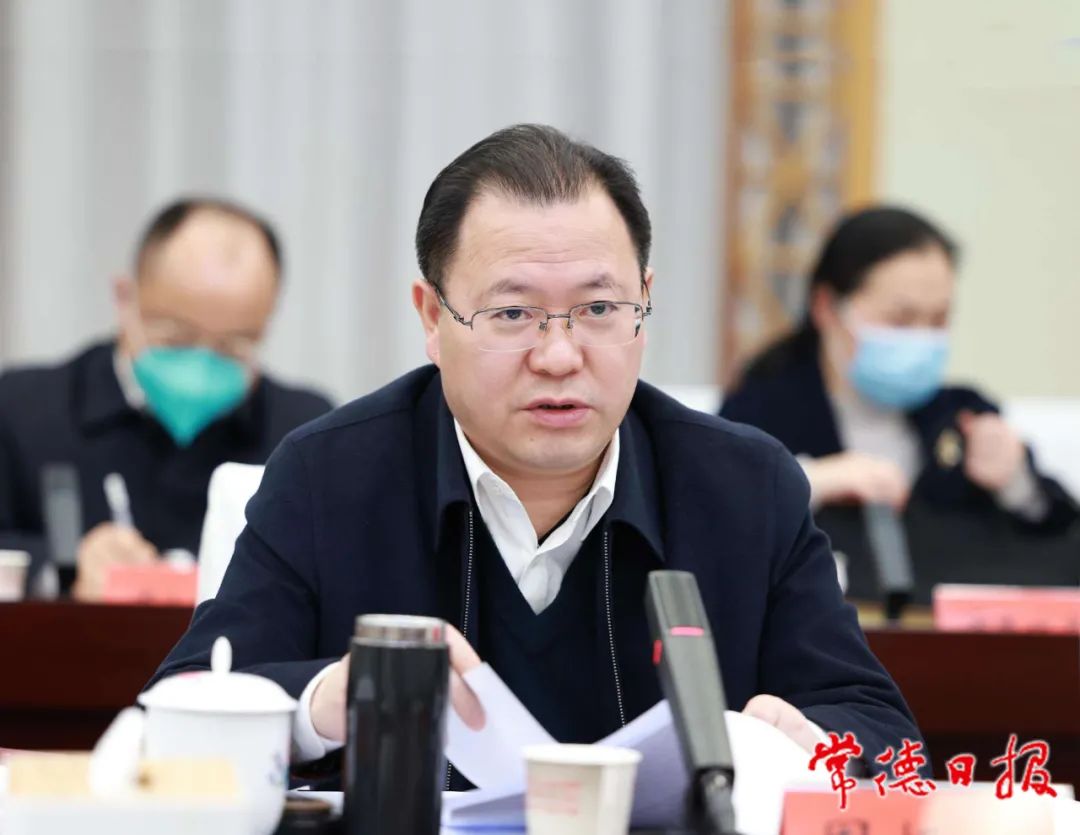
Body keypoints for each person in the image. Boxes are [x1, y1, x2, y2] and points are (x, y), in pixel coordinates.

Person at [150, 125, 921, 784]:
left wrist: (804, 744)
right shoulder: (330, 476)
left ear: (644, 303)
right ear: (432, 316)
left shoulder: (747, 487)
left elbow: (884, 735)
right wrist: (325, 701)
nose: (559, 356)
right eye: (514, 312)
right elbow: (184, 704)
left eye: (599, 308)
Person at [721, 206, 1078, 604]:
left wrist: (1017, 484)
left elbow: (1055, 533)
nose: (921, 338)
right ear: (826, 307)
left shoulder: (964, 414)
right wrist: (809, 481)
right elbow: (714, 519)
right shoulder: (759, 412)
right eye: (900, 319)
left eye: (938, 320)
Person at [0, 197, 332, 600]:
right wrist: (62, 571)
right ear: (125, 298)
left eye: (232, 347)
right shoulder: (23, 410)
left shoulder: (305, 431)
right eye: (177, 337)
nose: (201, 367)